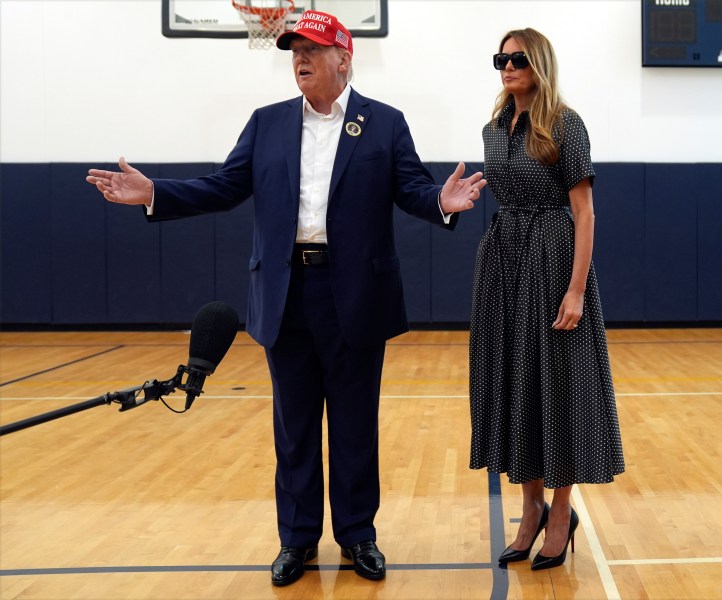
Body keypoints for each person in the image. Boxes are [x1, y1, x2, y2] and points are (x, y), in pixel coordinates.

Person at [87, 10, 486, 586]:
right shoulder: (267, 123)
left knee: (354, 425)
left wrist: (442, 204)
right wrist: (156, 193)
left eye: (313, 50)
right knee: (294, 427)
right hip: (286, 291)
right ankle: (296, 540)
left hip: (355, 294)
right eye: (295, 50)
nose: (300, 59)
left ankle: (357, 536)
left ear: (344, 59)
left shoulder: (385, 124)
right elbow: (223, 185)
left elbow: (413, 189)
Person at [468, 28, 625, 571]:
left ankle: (562, 511)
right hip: (505, 259)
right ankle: (529, 506)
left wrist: (577, 289)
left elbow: (584, 212)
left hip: (553, 257)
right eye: (500, 60)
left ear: (538, 63)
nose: (507, 67)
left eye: (516, 59)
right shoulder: (494, 127)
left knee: (556, 385)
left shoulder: (565, 123)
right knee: (516, 382)